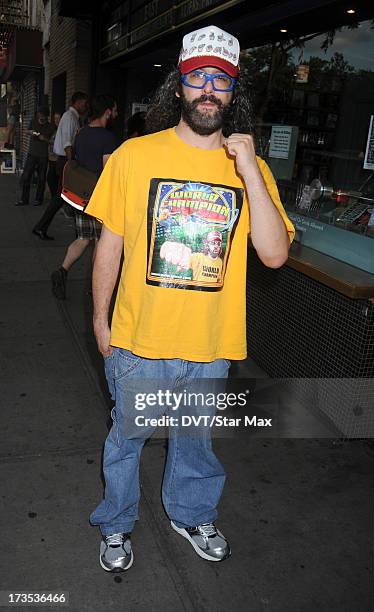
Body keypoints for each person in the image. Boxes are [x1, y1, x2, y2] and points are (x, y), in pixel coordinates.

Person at [84, 25, 295, 572]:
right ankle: (116, 522)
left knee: (195, 444)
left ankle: (190, 513)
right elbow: (111, 245)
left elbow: (273, 255)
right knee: (125, 442)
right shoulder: (134, 155)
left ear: (233, 91)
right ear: (179, 86)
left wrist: (249, 170)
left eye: (220, 79)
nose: (208, 88)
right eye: (198, 76)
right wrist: (100, 322)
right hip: (138, 339)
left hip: (209, 344)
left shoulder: (253, 168)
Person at [50, 95, 117, 300]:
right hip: (99, 198)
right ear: (106, 112)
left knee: (83, 238)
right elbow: (107, 170)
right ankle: (94, 285)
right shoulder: (108, 138)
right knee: (100, 241)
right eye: (114, 110)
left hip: (81, 195)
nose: (116, 113)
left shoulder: (81, 133)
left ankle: (61, 271)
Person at [32, 92, 88, 240]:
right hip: (65, 161)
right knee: (63, 196)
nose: (85, 106)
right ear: (78, 102)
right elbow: (67, 144)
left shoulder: (72, 117)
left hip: (64, 161)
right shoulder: (70, 118)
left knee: (62, 197)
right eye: (84, 103)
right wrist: (71, 165)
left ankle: (41, 227)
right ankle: (41, 227)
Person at [16, 106, 54, 207]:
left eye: (42, 116)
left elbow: (51, 141)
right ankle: (24, 199)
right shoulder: (33, 121)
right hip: (32, 153)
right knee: (26, 175)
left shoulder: (50, 126)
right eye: (39, 115)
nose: (40, 118)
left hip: (43, 155)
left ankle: (38, 199)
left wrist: (43, 138)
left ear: (46, 116)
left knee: (41, 178)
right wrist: (31, 132)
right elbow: (27, 131)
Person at [46, 111, 62, 198]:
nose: (56, 120)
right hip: (52, 159)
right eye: (55, 118)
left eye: (58, 118)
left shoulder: (62, 130)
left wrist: (45, 139)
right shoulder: (55, 130)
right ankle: (54, 198)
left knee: (52, 179)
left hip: (57, 159)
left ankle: (55, 199)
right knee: (51, 179)